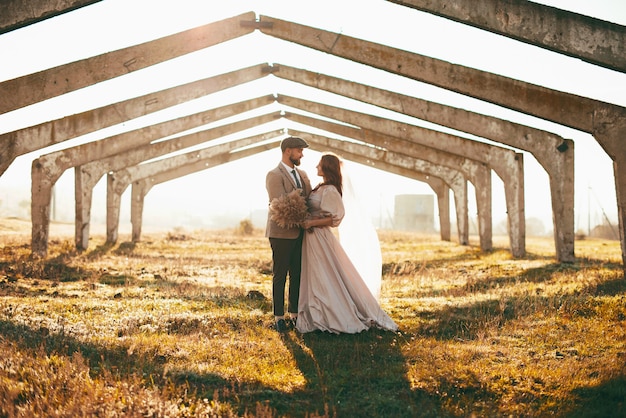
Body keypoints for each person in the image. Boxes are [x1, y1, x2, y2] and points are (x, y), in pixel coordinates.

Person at [297, 153, 398, 334]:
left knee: (323, 275)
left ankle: (329, 311)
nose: (316, 168)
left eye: (319, 165)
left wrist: (311, 223)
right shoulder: (321, 188)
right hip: (310, 237)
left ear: (327, 167)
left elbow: (335, 218)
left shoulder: (330, 190)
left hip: (319, 237)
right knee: (313, 274)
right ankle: (312, 310)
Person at [266, 136, 312, 332]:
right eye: (299, 150)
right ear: (288, 151)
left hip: (301, 233)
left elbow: (310, 198)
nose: (302, 154)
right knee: (280, 275)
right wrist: (304, 219)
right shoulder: (274, 175)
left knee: (297, 274)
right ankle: (278, 317)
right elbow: (280, 204)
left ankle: (294, 315)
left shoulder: (302, 174)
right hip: (281, 233)